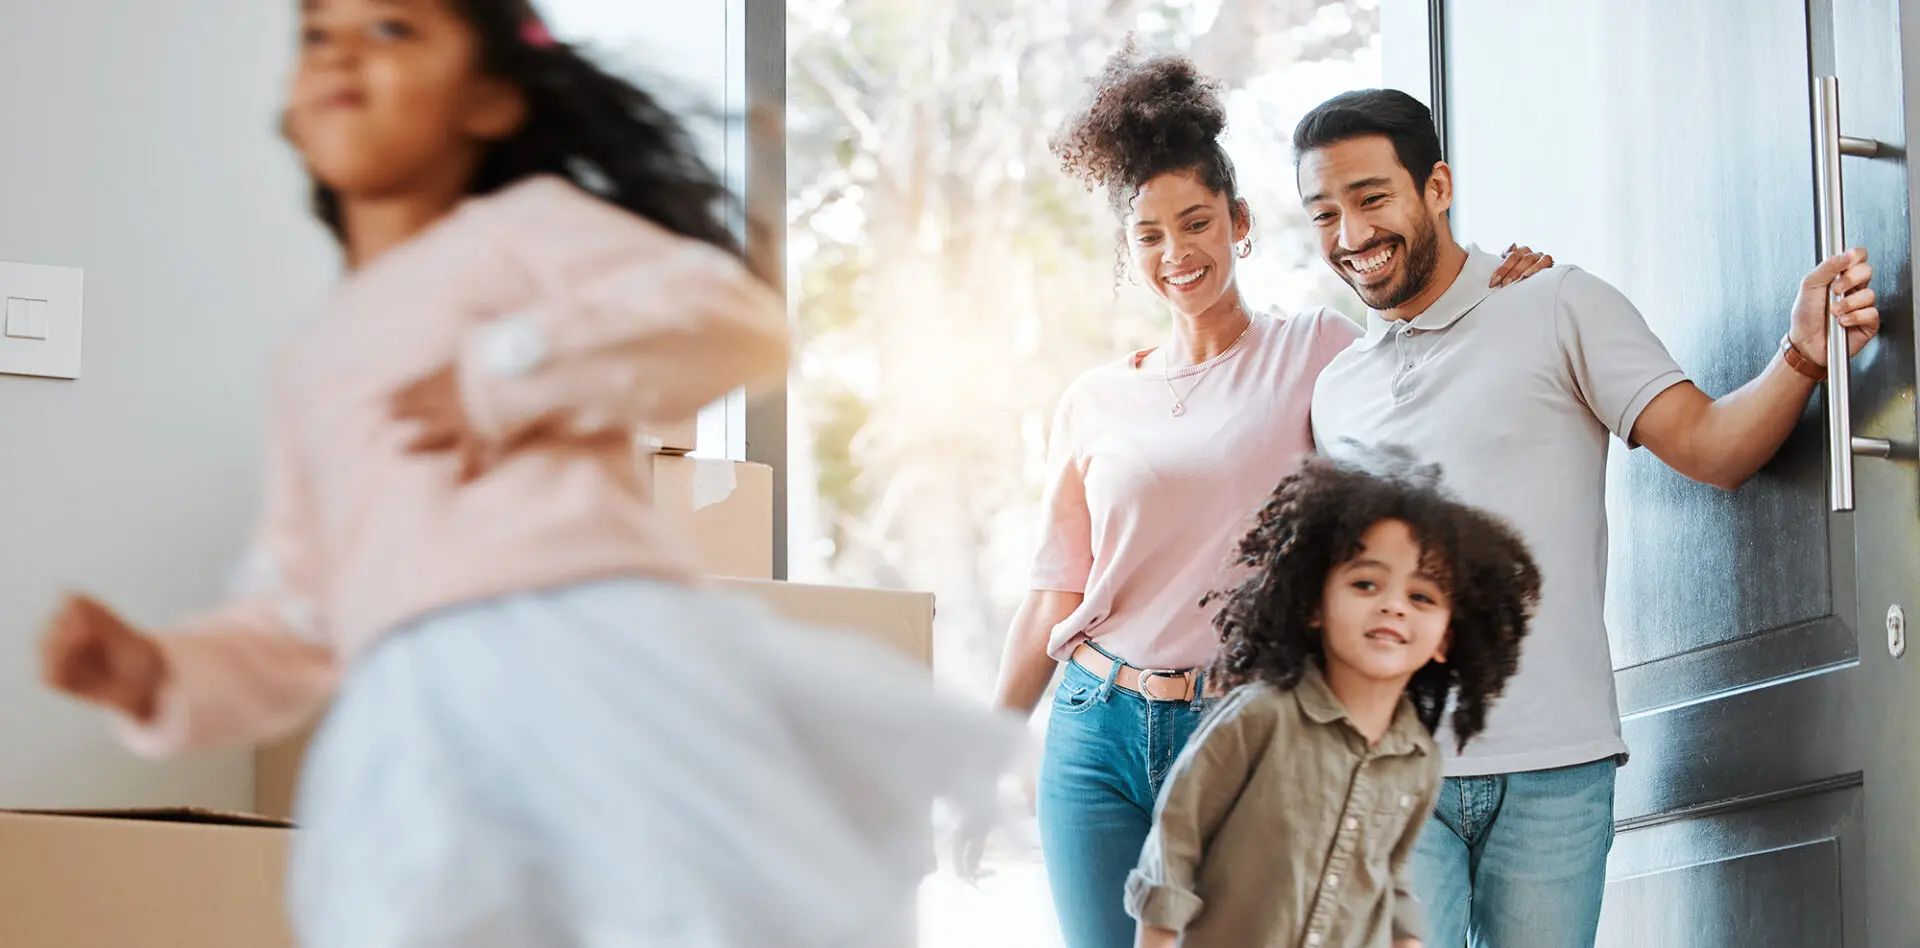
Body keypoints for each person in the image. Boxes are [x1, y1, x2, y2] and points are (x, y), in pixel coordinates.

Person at [37, 2, 1021, 946]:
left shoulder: (525, 230)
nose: (339, 53)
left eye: (389, 27)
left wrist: (503, 371)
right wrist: (160, 675)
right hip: (411, 726)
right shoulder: (311, 364)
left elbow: (735, 326)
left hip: (583, 655)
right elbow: (298, 613)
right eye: (315, 35)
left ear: (491, 101)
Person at [963, 41, 1553, 948]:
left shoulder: (1314, 350)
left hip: (1239, 721)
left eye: (1195, 223)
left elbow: (1426, 352)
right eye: (1149, 235)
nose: (1176, 253)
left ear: (1239, 221)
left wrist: (1506, 286)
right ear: (1129, 251)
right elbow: (1055, 593)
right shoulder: (1093, 401)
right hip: (1095, 729)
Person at [1296, 89, 1880, 948]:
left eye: (1372, 198)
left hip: (1553, 768)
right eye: (1323, 213)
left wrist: (1800, 355)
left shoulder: (1558, 303)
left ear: (1437, 186)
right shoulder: (1333, 390)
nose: (1350, 235)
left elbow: (1713, 448)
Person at [1126, 451, 1541, 948]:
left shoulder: (1417, 761)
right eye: (1367, 583)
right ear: (1313, 605)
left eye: (1422, 596)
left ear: (1446, 639)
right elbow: (1174, 847)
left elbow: (1387, 880)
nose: (1393, 605)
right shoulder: (1261, 716)